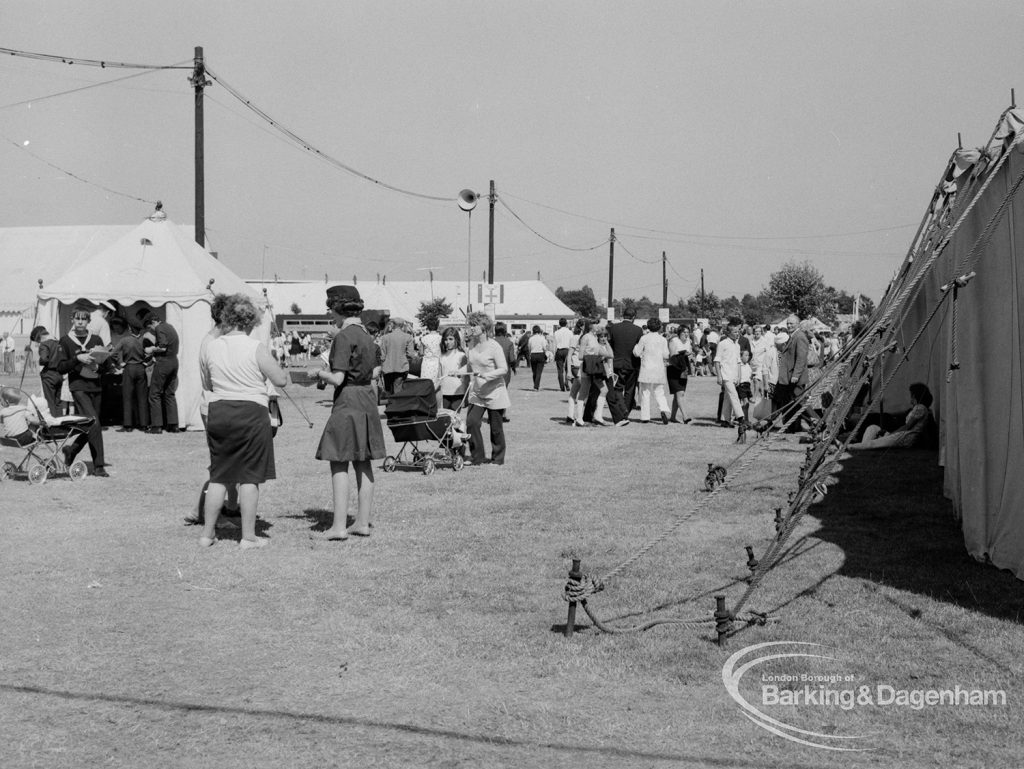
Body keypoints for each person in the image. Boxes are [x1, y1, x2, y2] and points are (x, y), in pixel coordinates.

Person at [199, 294, 287, 548]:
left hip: (219, 411)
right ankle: (248, 536)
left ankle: (207, 534)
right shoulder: (255, 347)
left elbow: (207, 382)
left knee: (219, 474)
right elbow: (280, 380)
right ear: (251, 321)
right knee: (249, 477)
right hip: (250, 413)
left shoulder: (212, 346)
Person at [311, 285, 385, 540]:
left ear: (337, 308)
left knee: (339, 461)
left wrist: (318, 373)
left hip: (348, 400)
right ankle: (362, 522)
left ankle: (338, 526)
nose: (330, 314)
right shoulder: (366, 334)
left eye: (330, 309)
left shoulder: (343, 337)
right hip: (367, 398)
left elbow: (338, 377)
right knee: (363, 462)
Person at [55, 307, 109, 477]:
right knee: (94, 423)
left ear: (88, 321)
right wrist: (76, 358)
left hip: (96, 386)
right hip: (78, 387)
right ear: (72, 320)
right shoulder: (65, 341)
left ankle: (71, 450)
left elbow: (106, 366)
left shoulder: (96, 339)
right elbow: (61, 367)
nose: (80, 322)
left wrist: (98, 366)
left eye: (83, 319)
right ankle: (98, 465)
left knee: (88, 426)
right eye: (77, 319)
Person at [464, 313, 509, 464]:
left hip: (495, 392)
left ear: (484, 328)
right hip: (477, 392)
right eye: (471, 325)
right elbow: (470, 365)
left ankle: (498, 459)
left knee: (496, 428)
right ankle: (477, 457)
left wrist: (486, 375)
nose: (472, 328)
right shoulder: (471, 345)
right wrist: (458, 372)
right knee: (471, 422)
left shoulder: (494, 346)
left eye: (474, 325)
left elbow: (503, 369)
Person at [848, 383, 935, 450]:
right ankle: (863, 446)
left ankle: (848, 447)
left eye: (911, 396)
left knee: (874, 443)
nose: (910, 399)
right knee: (872, 428)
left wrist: (892, 434)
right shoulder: (918, 408)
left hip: (905, 438)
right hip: (901, 434)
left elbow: (907, 427)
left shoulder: (920, 408)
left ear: (915, 396)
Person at [141, 312, 180, 433]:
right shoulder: (170, 326)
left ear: (152, 322)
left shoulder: (159, 328)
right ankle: (173, 425)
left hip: (163, 362)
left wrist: (151, 349)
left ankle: (156, 426)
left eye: (149, 327)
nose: (151, 330)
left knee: (154, 394)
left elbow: (163, 347)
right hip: (174, 361)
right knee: (170, 393)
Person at [773, 314, 810, 432]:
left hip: (795, 377)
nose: (789, 325)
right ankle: (793, 427)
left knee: (800, 403)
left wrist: (796, 375)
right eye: (788, 323)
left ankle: (818, 423)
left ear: (798, 324)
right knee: (793, 403)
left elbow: (801, 358)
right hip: (789, 377)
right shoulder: (793, 336)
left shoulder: (800, 337)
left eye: (791, 323)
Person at [573, 319, 613, 426]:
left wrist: (603, 353)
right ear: (591, 326)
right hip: (587, 367)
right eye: (596, 324)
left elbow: (608, 354)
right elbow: (580, 355)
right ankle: (579, 419)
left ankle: (598, 416)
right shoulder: (586, 337)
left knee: (604, 390)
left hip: (595, 368)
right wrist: (594, 356)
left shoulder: (595, 337)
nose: (598, 326)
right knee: (583, 393)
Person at [633, 318, 671, 424]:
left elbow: (637, 352)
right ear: (659, 327)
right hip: (658, 368)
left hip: (646, 368)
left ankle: (645, 417)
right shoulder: (663, 339)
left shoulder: (644, 338)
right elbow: (666, 355)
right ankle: (663, 409)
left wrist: (635, 346)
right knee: (659, 392)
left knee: (645, 392)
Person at [113, 322, 149, 432]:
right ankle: (144, 424)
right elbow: (151, 353)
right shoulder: (144, 340)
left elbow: (113, 353)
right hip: (141, 368)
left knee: (127, 397)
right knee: (142, 397)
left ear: (129, 328)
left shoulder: (125, 340)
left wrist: (120, 363)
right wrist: (146, 362)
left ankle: (128, 425)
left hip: (129, 368)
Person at [607, 308, 643, 413]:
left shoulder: (613, 328)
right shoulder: (638, 330)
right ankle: (626, 410)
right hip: (632, 363)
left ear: (623, 315)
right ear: (634, 317)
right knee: (630, 389)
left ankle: (621, 408)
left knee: (617, 387)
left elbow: (610, 345)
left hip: (616, 362)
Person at [714, 322, 745, 426]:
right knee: (734, 395)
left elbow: (738, 361)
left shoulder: (737, 345)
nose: (737, 334)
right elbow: (717, 360)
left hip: (734, 375)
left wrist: (739, 376)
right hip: (725, 374)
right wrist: (719, 376)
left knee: (728, 397)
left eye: (738, 331)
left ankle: (725, 420)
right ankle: (741, 418)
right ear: (728, 333)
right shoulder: (723, 344)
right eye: (735, 332)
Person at [31, 326, 63, 418]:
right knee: (58, 402)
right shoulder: (58, 342)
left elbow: (44, 360)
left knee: (50, 401)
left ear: (38, 337)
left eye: (37, 341)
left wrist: (39, 361)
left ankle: (53, 424)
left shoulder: (44, 344)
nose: (38, 343)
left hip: (49, 375)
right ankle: (60, 422)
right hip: (59, 374)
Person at [379, 319, 416, 396]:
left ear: (392, 325)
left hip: (387, 368)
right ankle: (397, 406)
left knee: (388, 391)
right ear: (402, 326)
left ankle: (389, 407)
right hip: (401, 367)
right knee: (398, 391)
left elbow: (382, 356)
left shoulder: (385, 337)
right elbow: (411, 354)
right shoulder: (408, 337)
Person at [438, 328, 470, 411]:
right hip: (445, 392)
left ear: (456, 339)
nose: (448, 342)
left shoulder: (461, 355)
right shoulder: (442, 356)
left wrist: (466, 397)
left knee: (454, 417)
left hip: (458, 392)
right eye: (445, 339)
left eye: (451, 339)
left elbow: (466, 377)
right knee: (446, 418)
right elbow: (440, 375)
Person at [667, 324, 692, 424]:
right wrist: (682, 353)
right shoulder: (674, 341)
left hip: (683, 368)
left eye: (687, 332)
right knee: (679, 393)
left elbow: (689, 352)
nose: (686, 334)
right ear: (679, 333)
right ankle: (685, 416)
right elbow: (672, 355)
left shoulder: (688, 342)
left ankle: (673, 417)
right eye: (684, 332)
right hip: (674, 368)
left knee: (679, 393)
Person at [493, 323, 517, 422]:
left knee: (493, 392)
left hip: (493, 370)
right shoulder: (509, 343)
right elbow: (512, 359)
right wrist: (514, 367)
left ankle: (492, 416)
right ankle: (502, 415)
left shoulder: (491, 342)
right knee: (503, 392)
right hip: (504, 372)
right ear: (505, 331)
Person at [418, 317, 443, 386]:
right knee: (437, 383)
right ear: (437, 326)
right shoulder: (441, 338)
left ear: (428, 327)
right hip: (437, 362)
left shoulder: (423, 338)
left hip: (426, 363)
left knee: (426, 384)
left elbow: (421, 353)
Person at [552, 318, 573, 392]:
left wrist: (554, 353)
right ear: (566, 323)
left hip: (559, 350)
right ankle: (567, 383)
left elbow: (554, 344)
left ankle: (561, 386)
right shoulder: (570, 332)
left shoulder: (556, 332)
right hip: (567, 350)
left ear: (559, 324)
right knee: (567, 369)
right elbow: (571, 343)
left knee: (560, 370)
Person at [526, 325, 547, 391]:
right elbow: (544, 347)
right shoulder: (542, 338)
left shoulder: (530, 339)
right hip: (540, 354)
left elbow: (529, 348)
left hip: (533, 355)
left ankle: (535, 385)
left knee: (534, 372)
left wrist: (530, 355)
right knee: (539, 372)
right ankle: (536, 386)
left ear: (533, 331)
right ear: (539, 330)